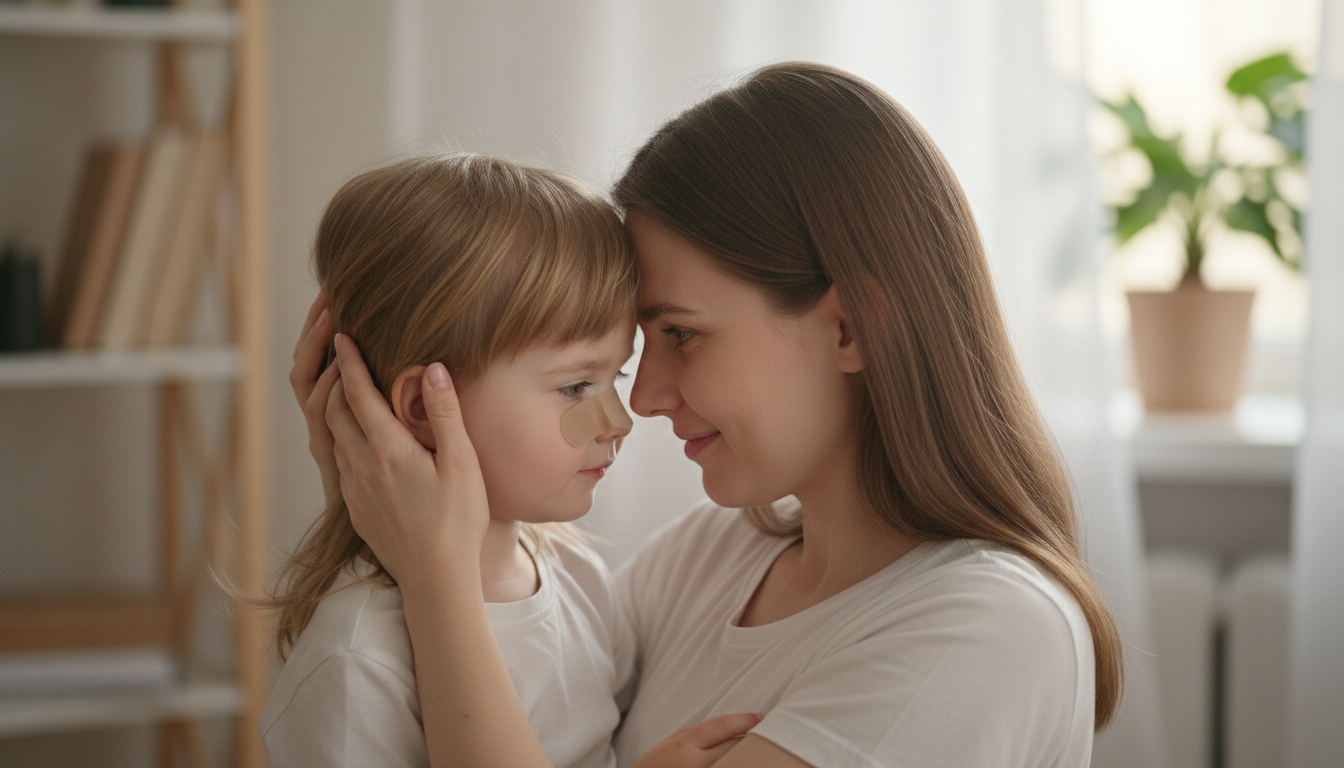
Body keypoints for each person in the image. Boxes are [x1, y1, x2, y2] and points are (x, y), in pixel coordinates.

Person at [307, 62, 1125, 768]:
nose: (644, 400)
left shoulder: (987, 630)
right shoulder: (699, 562)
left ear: (850, 327)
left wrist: (435, 579)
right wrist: (396, 478)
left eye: (680, 336)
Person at [265, 152, 761, 768]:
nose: (620, 420)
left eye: (617, 375)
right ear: (425, 406)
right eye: (577, 387)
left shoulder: (575, 573)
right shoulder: (357, 662)